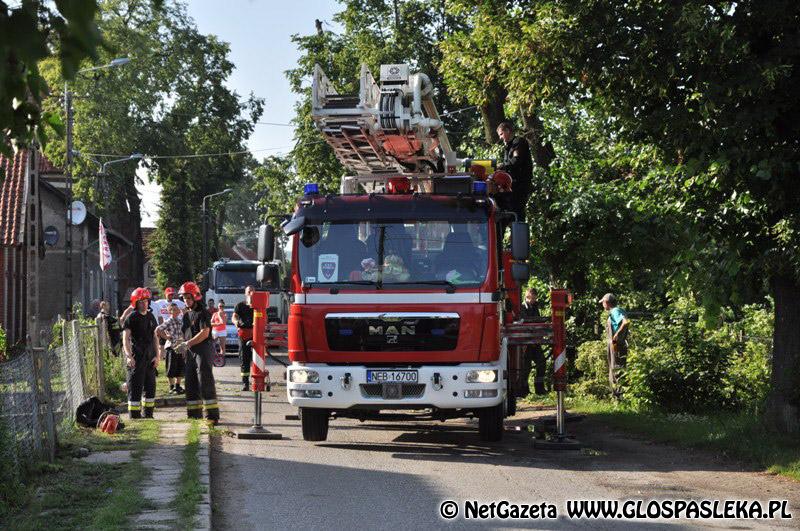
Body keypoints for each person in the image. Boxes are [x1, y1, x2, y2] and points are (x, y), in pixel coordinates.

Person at [174, 282, 219, 423]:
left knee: (205, 380)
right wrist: (182, 345)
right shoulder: (186, 315)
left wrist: (187, 344)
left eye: (188, 297)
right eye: (184, 298)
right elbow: (185, 333)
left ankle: (212, 415)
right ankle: (194, 414)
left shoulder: (202, 313)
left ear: (195, 297)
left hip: (203, 351)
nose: (186, 300)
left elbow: (205, 333)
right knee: (191, 381)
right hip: (190, 352)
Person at [122, 288, 159, 419]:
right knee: (135, 386)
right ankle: (135, 415)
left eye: (145, 301)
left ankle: (148, 414)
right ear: (135, 303)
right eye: (140, 302)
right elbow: (125, 338)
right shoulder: (131, 318)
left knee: (150, 386)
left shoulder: (150, 316)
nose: (144, 304)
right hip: (136, 356)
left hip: (150, 356)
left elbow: (155, 337)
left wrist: (157, 356)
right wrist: (129, 356)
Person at [496, 121, 533, 222]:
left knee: (517, 212)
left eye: (501, 134)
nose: (500, 138)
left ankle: (519, 234)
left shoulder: (519, 142)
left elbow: (516, 161)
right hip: (511, 186)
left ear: (507, 131)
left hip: (520, 185)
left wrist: (501, 166)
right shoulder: (508, 147)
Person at [599, 293, 630, 398]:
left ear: (607, 302)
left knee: (616, 369)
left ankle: (619, 397)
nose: (602, 305)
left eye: (603, 302)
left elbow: (625, 322)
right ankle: (618, 396)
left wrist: (616, 335)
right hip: (616, 344)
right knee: (616, 368)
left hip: (616, 344)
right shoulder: (619, 310)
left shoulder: (615, 311)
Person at [520, 288, 547, 396]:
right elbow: (526, 324)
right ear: (527, 296)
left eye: (535, 298)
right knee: (525, 367)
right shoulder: (522, 308)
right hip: (526, 342)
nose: (534, 300)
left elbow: (537, 321)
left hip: (535, 341)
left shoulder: (535, 306)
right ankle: (524, 390)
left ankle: (539, 389)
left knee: (542, 363)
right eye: (532, 298)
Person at [155, 302, 185, 395]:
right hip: (171, 347)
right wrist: (166, 337)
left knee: (180, 367)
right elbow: (158, 329)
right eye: (174, 309)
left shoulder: (181, 321)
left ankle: (178, 386)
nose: (177, 311)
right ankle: (171, 387)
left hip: (180, 347)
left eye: (177, 309)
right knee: (171, 367)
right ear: (170, 311)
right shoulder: (168, 321)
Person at [232, 286, 255, 391]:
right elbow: (234, 316)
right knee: (244, 359)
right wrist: (236, 322)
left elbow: (265, 317)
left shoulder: (258, 306)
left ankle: (257, 380)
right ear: (245, 293)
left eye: (252, 291)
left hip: (256, 334)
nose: (251, 293)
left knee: (256, 359)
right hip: (243, 334)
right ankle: (245, 383)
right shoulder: (240, 305)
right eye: (249, 291)